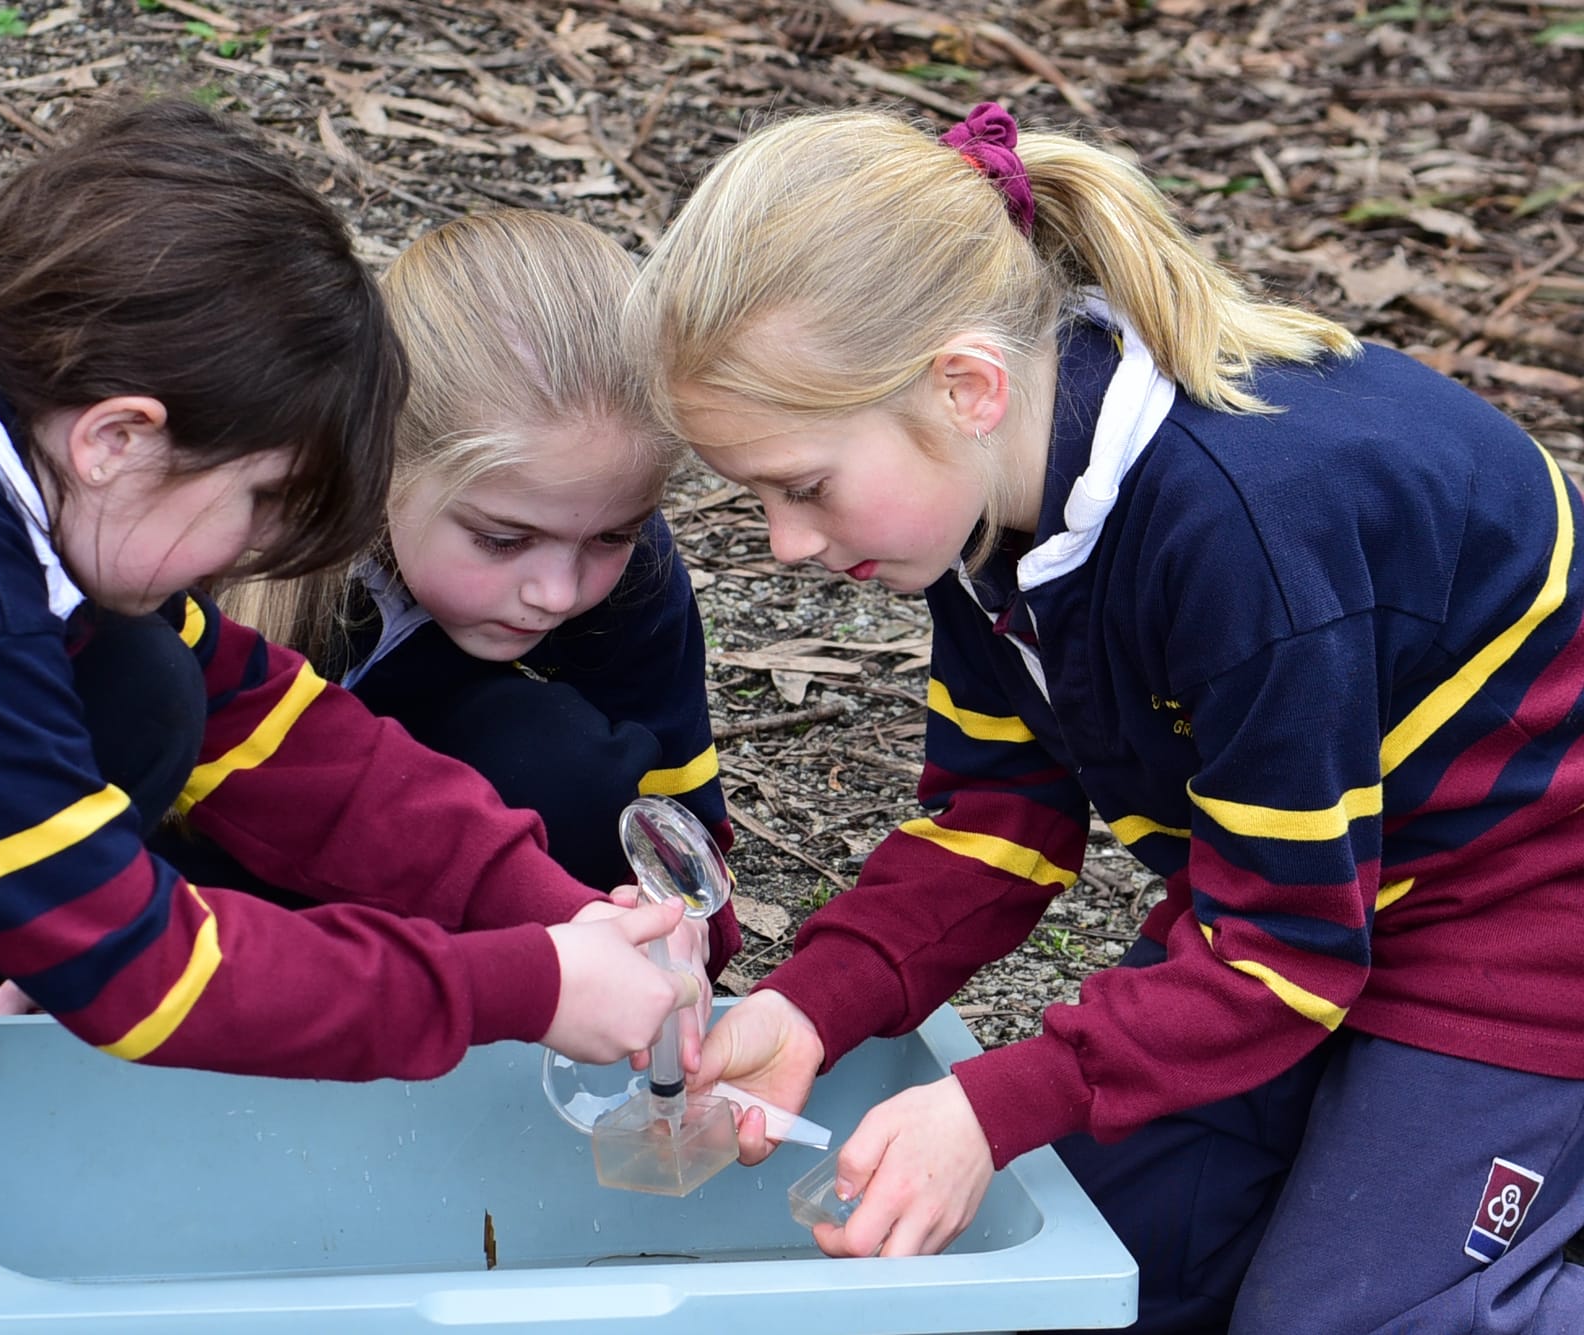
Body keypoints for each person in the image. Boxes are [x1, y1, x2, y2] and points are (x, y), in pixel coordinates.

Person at [0, 98, 704, 1333]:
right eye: (263, 498)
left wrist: (547, 909)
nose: (267, 547)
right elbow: (146, 977)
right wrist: (520, 985)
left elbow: (249, 713)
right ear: (123, 436)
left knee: (136, 685)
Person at [633, 102, 1584, 1333]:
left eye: (801, 486)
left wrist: (992, 1102)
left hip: (1519, 918)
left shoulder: (1242, 529)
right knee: (1093, 1279)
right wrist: (809, 1003)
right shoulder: (991, 501)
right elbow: (998, 821)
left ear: (962, 386)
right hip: (1307, 885)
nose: (784, 542)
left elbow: (1286, 955)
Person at [198, 208, 740, 961]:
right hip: (220, 867)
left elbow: (677, 817)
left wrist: (678, 928)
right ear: (384, 460)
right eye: (502, 539)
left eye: (610, 536)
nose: (555, 590)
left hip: (472, 865)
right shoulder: (253, 542)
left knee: (563, 766)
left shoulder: (630, 562)